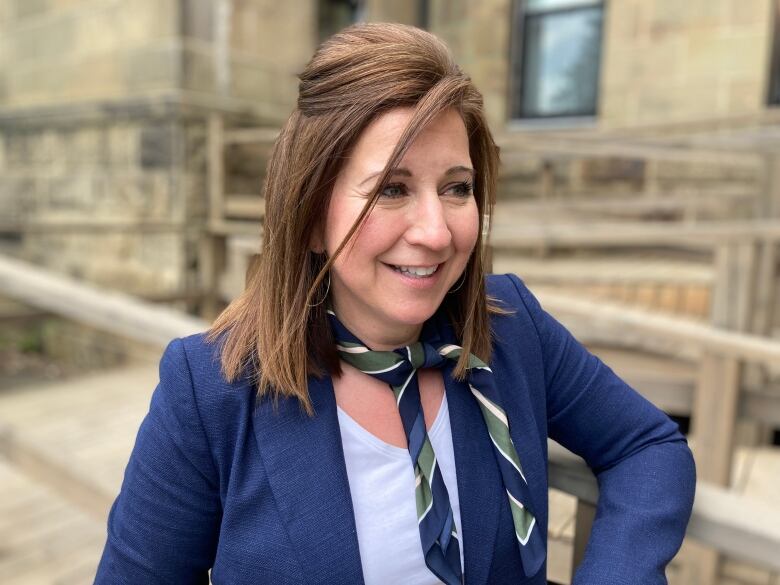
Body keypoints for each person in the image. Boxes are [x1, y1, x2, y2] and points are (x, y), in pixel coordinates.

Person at [95, 23, 695, 585]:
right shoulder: (212, 390)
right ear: (309, 216)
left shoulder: (511, 326)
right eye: (391, 189)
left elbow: (647, 448)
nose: (436, 232)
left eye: (457, 188)